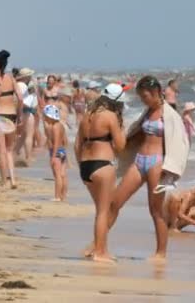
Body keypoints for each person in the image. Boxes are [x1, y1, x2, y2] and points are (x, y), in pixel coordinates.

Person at [101, 75, 190, 261]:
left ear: (156, 92)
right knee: (115, 202)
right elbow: (136, 132)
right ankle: (98, 244)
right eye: (141, 97)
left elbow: (181, 142)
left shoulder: (170, 115)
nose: (143, 100)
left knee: (156, 211)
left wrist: (171, 167)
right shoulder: (147, 112)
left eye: (145, 96)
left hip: (157, 164)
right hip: (139, 160)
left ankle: (161, 253)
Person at [75, 83, 126, 263]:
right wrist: (123, 127)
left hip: (86, 166)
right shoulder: (110, 116)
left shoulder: (87, 116)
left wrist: (81, 165)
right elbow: (120, 146)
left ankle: (101, 249)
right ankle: (99, 252)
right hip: (103, 164)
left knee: (101, 210)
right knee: (103, 212)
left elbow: (77, 146)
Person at [0, 50, 22, 189]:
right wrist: (19, 116)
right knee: (9, 150)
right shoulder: (11, 78)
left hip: (0, 116)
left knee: (1, 151)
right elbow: (21, 99)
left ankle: (4, 181)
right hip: (12, 115)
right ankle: (13, 180)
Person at [44, 104, 68, 201]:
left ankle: (57, 196)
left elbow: (56, 142)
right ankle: (63, 195)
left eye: (45, 116)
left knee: (57, 175)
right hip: (62, 151)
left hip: (56, 152)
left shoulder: (55, 127)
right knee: (62, 174)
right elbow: (65, 141)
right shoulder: (61, 125)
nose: (45, 118)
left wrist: (53, 157)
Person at [14, 68, 37, 166]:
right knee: (29, 135)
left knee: (23, 135)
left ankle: (14, 154)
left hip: (24, 110)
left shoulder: (21, 85)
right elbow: (20, 100)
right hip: (26, 111)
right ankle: (28, 156)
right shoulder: (22, 85)